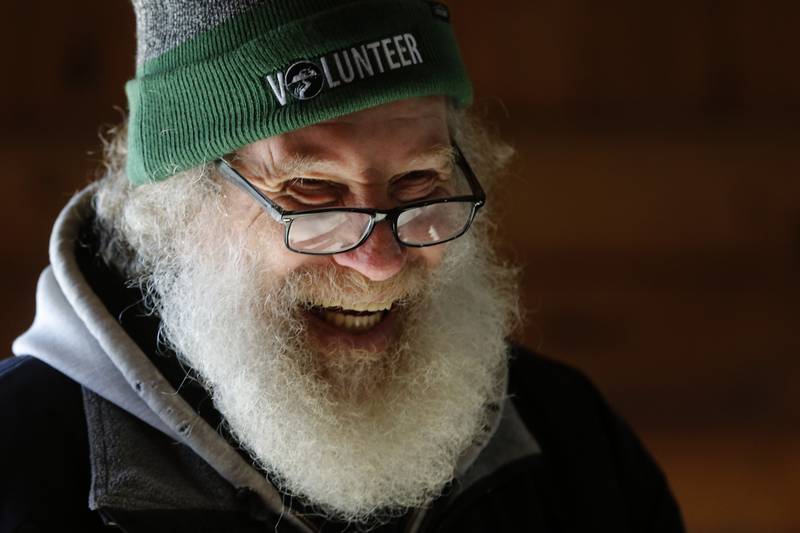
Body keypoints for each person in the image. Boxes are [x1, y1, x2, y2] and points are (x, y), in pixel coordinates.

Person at [0, 1, 685, 532]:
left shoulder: (571, 450)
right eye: (313, 192)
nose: (379, 261)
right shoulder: (21, 472)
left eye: (419, 184)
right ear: (177, 206)